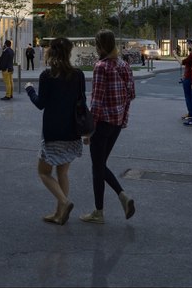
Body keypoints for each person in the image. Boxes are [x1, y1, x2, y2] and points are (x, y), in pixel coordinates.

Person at [24, 37, 86, 225]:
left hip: (53, 133)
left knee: (43, 172)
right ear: (69, 53)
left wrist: (29, 90)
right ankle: (59, 214)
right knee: (63, 173)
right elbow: (82, 103)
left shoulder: (47, 76)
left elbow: (40, 104)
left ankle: (64, 203)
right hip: (73, 131)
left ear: (51, 52)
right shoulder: (78, 75)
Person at [80, 29, 136, 224]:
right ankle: (101, 210)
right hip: (116, 124)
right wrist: (123, 120)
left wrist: (88, 130)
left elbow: (96, 101)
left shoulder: (101, 66)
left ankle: (115, 200)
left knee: (98, 166)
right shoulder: (124, 66)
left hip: (102, 124)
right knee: (100, 165)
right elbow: (130, 96)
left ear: (101, 46)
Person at [177, 42, 192, 120]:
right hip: (191, 77)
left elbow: (182, 62)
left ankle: (191, 113)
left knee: (188, 96)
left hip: (189, 78)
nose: (188, 46)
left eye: (189, 44)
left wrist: (175, 55)